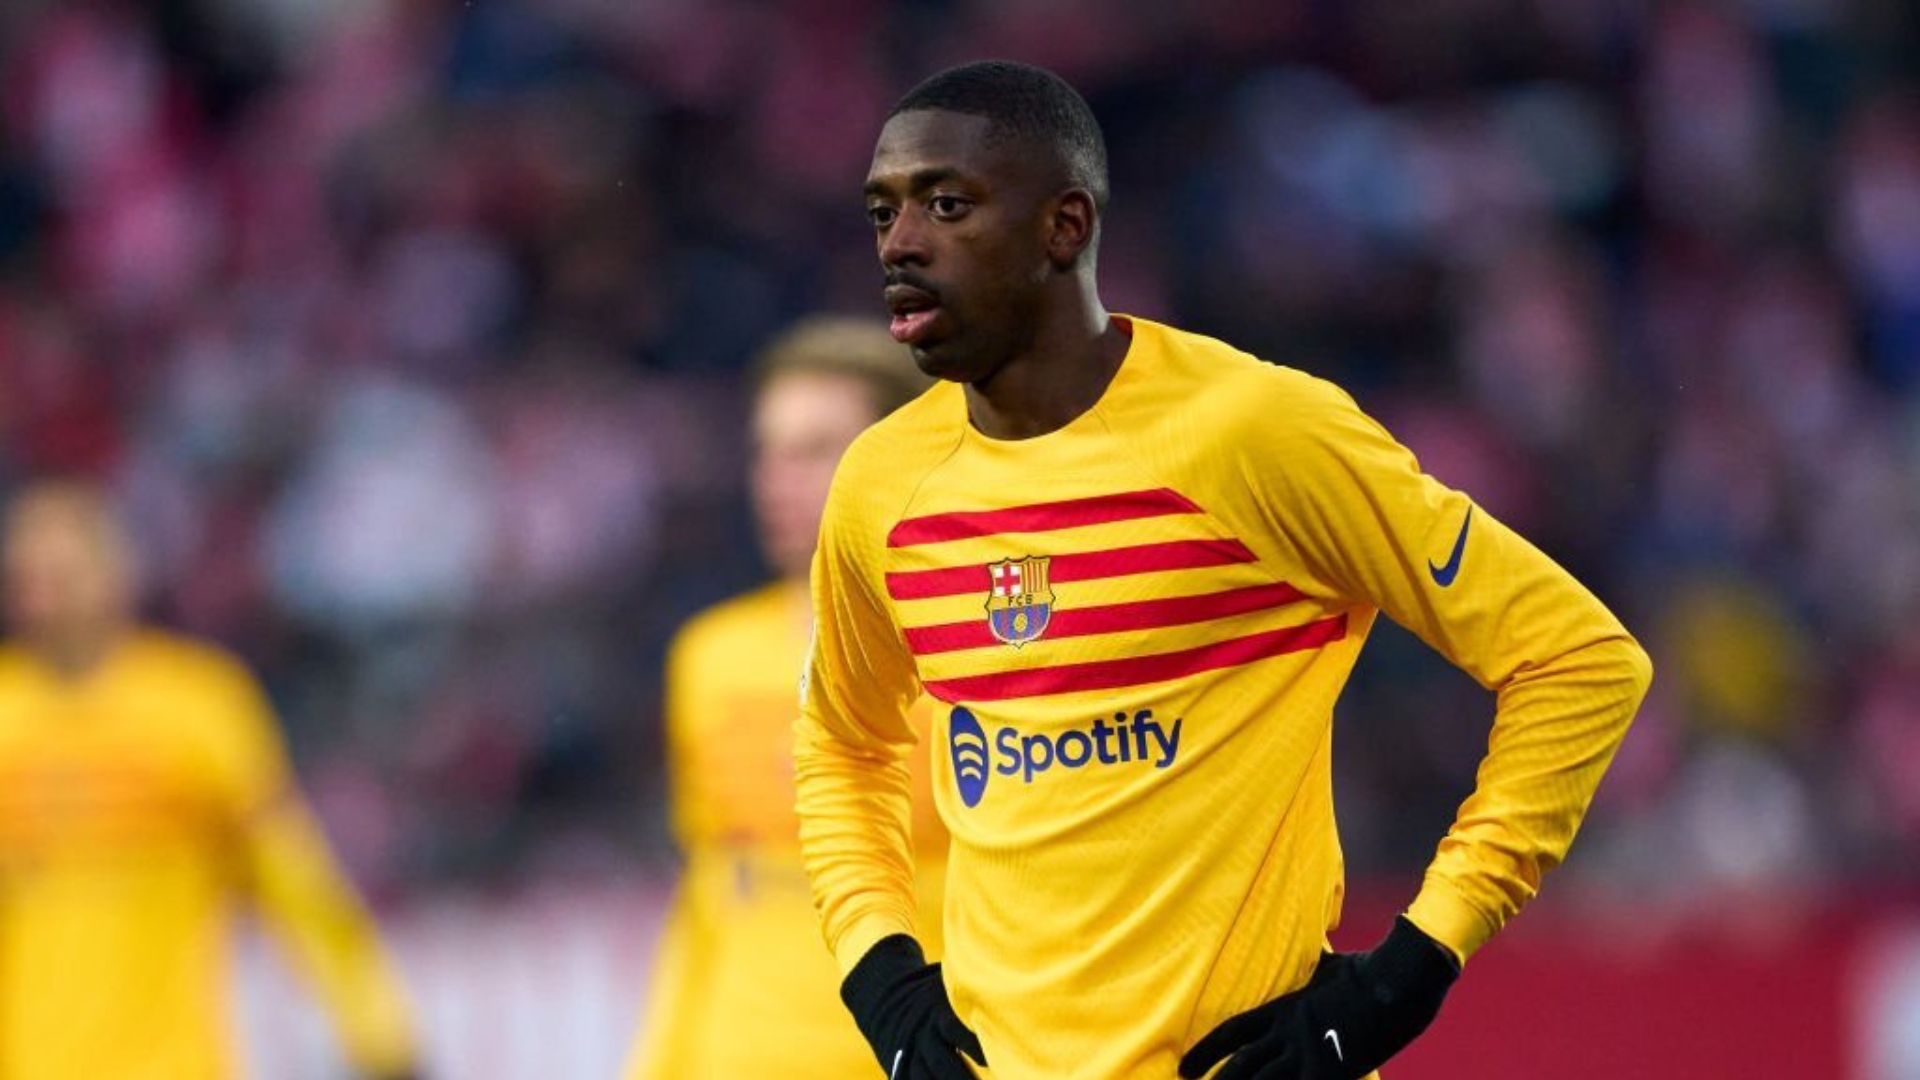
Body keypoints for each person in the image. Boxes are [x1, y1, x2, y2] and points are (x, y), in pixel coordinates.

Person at [794, 59, 1653, 1080]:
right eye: (882, 211)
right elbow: (843, 742)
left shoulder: (1255, 433)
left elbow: (1581, 661)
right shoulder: (884, 482)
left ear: (1065, 227)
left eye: (946, 205)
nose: (900, 242)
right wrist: (880, 979)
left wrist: (1410, 972)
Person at [0, 480, 421, 1080]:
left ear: (118, 574)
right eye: (27, 580)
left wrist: (377, 1030)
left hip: (170, 1066)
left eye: (61, 576)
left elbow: (292, 879)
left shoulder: (197, 706)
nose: (42, 599)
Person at [621, 317, 945, 1079]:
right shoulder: (710, 657)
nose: (776, 479)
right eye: (767, 450)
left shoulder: (971, 659)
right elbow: (710, 888)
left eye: (814, 450)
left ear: (896, 460)